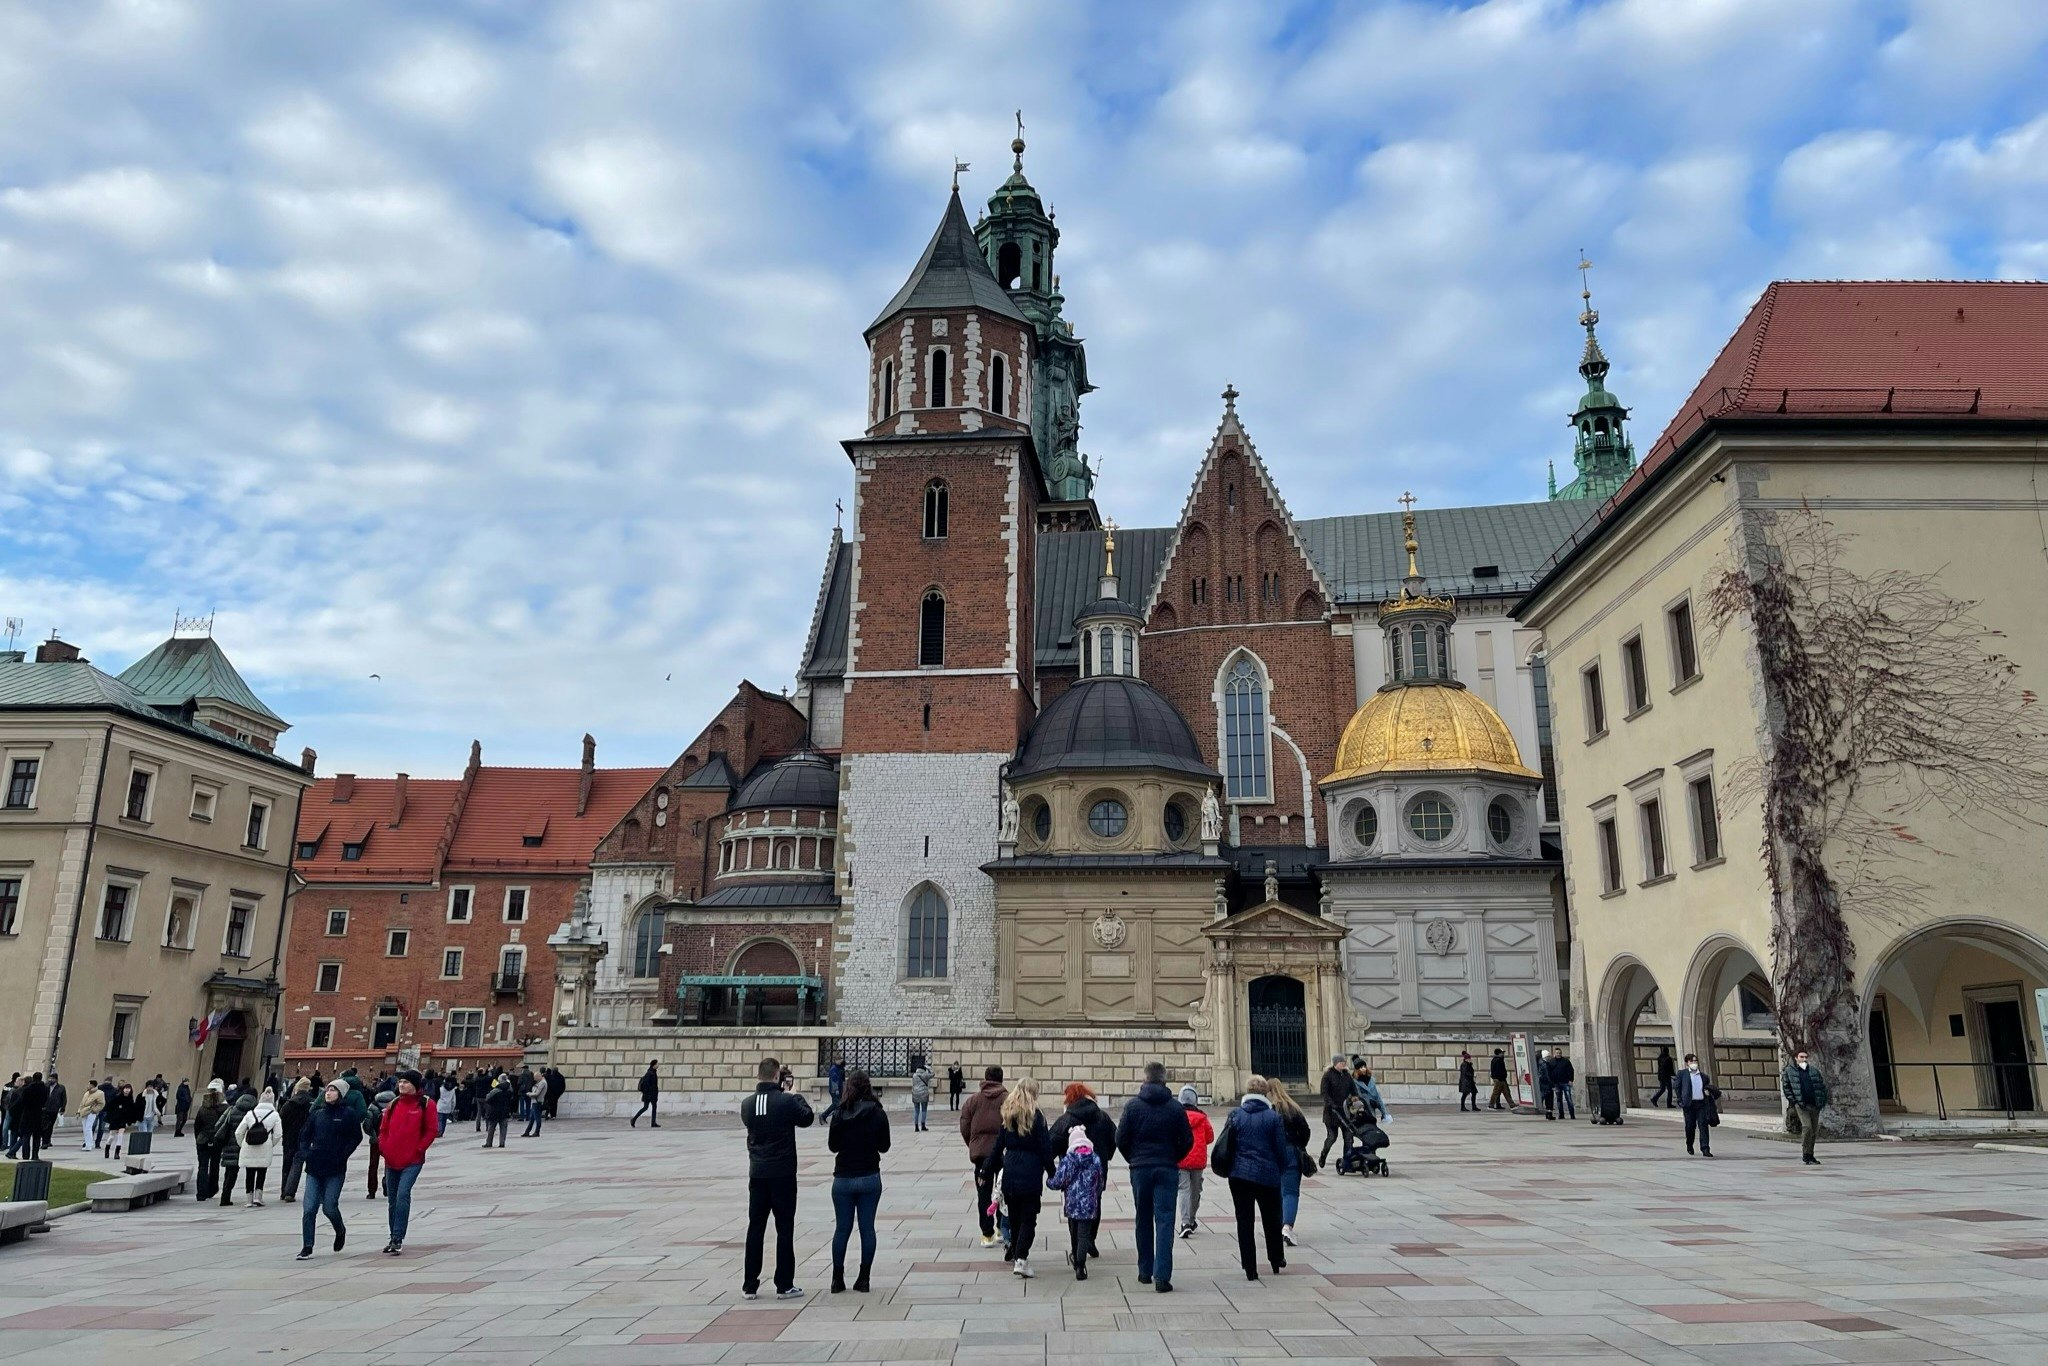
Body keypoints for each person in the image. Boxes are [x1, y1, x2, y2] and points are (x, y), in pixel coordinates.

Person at [740, 1055, 815, 1300]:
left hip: (757, 1172)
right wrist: (795, 1095)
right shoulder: (785, 1101)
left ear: (758, 1075)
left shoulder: (747, 1104)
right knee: (784, 1227)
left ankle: (750, 1284)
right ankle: (784, 1284)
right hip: (782, 1173)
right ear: (776, 1076)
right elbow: (807, 1118)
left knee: (756, 1227)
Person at [1116, 1061, 1194, 1294]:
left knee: (1143, 1218)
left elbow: (1120, 1138)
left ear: (1145, 1079)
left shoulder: (1132, 1106)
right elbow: (1187, 1140)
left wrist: (1134, 1158)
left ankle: (1144, 1270)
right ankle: (1162, 1276)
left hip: (1140, 1169)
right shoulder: (1175, 1108)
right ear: (1164, 1080)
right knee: (1165, 1220)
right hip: (1166, 1168)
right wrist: (1173, 1157)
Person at [1211, 1075, 1290, 1282]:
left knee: (1244, 1220)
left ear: (1247, 1092)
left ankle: (1249, 1267)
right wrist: (1280, 1169)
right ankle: (1276, 1259)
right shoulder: (1273, 1117)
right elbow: (1281, 1150)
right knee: (1272, 1219)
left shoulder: (1235, 1115)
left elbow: (1227, 1144)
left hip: (1239, 1175)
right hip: (1268, 1175)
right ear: (1265, 1093)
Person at [983, 1078, 1055, 1279]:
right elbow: (1045, 1148)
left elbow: (998, 1146)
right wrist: (1053, 1173)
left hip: (1011, 1170)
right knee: (1029, 1219)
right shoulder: (1037, 1116)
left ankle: (1017, 1255)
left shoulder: (1008, 1115)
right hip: (1031, 1172)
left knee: (1014, 1218)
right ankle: (1021, 1259)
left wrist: (986, 1169)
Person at [826, 1068, 890, 1294]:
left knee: (842, 1229)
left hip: (843, 1177)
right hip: (869, 1176)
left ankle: (837, 1278)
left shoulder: (839, 1113)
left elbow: (833, 1146)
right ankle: (864, 1278)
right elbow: (885, 1146)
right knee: (867, 1228)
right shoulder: (878, 1113)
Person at [1048, 1083, 1115, 1262]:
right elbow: (1114, 1139)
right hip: (1097, 1170)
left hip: (1073, 1175)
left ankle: (1077, 1247)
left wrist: (1054, 1169)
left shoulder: (1067, 1119)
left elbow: (1050, 1144)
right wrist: (1105, 1156)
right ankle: (1090, 1239)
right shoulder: (1103, 1117)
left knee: (1073, 1209)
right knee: (1095, 1202)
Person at [295, 1081, 362, 1260]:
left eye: (333, 1090)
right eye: (327, 1090)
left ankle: (340, 1230)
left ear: (340, 1093)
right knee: (309, 1208)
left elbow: (355, 1137)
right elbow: (305, 1135)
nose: (328, 1093)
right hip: (314, 1166)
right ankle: (307, 1246)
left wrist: (343, 1154)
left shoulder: (348, 1113)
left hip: (335, 1167)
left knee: (329, 1207)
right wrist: (306, 1153)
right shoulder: (318, 1114)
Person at [378, 1070, 439, 1255]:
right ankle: (393, 1236)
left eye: (405, 1082)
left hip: (413, 1159)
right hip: (391, 1158)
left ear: (415, 1085)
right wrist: (384, 1148)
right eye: (400, 1082)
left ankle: (398, 1236)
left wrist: (419, 1148)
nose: (401, 1085)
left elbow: (431, 1130)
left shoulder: (426, 1104)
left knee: (403, 1194)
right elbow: (384, 1129)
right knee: (392, 1199)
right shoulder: (394, 1103)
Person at [958, 1066, 1009, 1248]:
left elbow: (964, 1126)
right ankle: (1002, 1228)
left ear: (986, 1079)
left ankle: (987, 1234)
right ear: (1001, 1079)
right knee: (1003, 1191)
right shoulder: (1008, 1099)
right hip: (1002, 1153)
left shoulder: (972, 1101)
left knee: (983, 1194)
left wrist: (974, 1144)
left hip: (981, 1155)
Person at [1048, 1125, 1104, 1280]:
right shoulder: (1095, 1159)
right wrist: (1096, 1193)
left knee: (1074, 1231)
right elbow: (1100, 1181)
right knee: (1084, 1235)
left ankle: (1075, 1257)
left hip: (1072, 1204)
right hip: (1089, 1204)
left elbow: (1059, 1181)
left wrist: (1049, 1182)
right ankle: (1081, 1265)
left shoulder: (1068, 1160)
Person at [1264, 1078, 1313, 1247]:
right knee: (1290, 1192)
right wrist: (1299, 1145)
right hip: (1291, 1152)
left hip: (1272, 1155)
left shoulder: (1268, 1111)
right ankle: (1287, 1227)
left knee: (1276, 1192)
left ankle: (1278, 1225)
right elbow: (1305, 1131)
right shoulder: (1292, 1108)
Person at [1176, 1084, 1213, 1239]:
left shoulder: (1177, 1117)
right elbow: (1210, 1137)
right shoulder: (1203, 1118)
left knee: (1183, 1190)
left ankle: (1185, 1223)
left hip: (1181, 1158)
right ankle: (1191, 1220)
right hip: (1198, 1161)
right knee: (1196, 1191)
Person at [1781, 1048, 1830, 1166]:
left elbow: (1821, 1086)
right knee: (1807, 1127)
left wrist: (1821, 1101)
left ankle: (1810, 1154)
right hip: (1801, 1105)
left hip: (1814, 1104)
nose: (1804, 1059)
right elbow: (1786, 1087)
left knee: (1813, 1130)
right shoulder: (1789, 1071)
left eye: (1805, 1057)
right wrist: (1794, 1101)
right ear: (1796, 1058)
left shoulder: (1813, 1071)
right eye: (1801, 1057)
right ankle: (1805, 1153)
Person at [237, 1086, 282, 1206]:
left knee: (249, 1173)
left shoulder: (250, 1113)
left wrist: (242, 1144)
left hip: (249, 1145)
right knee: (262, 1172)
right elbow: (278, 1134)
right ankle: (258, 1197)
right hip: (265, 1145)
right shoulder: (275, 1115)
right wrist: (271, 1143)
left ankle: (248, 1199)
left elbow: (238, 1132)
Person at [1675, 1054, 1719, 1158]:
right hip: (1689, 1105)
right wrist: (1680, 1100)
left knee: (1703, 1126)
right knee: (1690, 1126)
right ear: (1687, 1063)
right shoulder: (1682, 1074)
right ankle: (1689, 1144)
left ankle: (1705, 1148)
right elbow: (1677, 1087)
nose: (1694, 1063)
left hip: (1701, 1104)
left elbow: (1706, 1087)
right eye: (1691, 1061)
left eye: (1695, 1061)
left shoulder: (1703, 1076)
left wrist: (1707, 1092)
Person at [191, 1080, 228, 1200]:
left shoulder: (203, 1108)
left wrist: (198, 1138)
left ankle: (201, 1193)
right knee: (215, 1165)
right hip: (217, 1140)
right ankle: (212, 1189)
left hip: (203, 1140)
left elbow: (197, 1125)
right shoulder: (225, 1108)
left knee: (202, 1166)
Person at [217, 1093, 255, 1206]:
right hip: (246, 1145)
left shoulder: (231, 1110)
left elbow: (219, 1125)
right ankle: (251, 1196)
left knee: (230, 1171)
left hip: (229, 1145)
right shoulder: (252, 1114)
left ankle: (225, 1196)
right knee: (250, 1171)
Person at [279, 1078, 314, 1202]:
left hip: (289, 1137)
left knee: (287, 1164)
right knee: (298, 1164)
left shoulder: (288, 1104)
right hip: (305, 1138)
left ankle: (284, 1191)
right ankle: (290, 1191)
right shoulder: (311, 1104)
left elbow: (281, 1121)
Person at [1316, 1054, 1351, 1166]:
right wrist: (1331, 1104)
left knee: (1348, 1137)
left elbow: (1353, 1089)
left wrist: (1355, 1097)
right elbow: (1324, 1093)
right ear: (1335, 1063)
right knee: (1332, 1137)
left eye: (1344, 1062)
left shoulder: (1347, 1075)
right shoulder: (1328, 1076)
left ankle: (1347, 1160)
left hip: (1345, 1111)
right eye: (1341, 1062)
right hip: (1332, 1113)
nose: (1343, 1064)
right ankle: (1323, 1155)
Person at [482, 1076, 514, 1148]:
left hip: (494, 1111)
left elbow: (487, 1099)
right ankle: (502, 1143)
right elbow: (511, 1100)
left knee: (491, 1127)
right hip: (505, 1111)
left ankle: (489, 1143)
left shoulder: (495, 1090)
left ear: (499, 1081)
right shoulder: (510, 1090)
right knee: (503, 1128)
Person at [78, 1079, 105, 1153]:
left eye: (89, 1084)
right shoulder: (87, 1093)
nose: (88, 1085)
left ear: (92, 1085)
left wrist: (95, 1110)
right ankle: (87, 1143)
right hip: (84, 1111)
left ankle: (89, 1145)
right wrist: (78, 1111)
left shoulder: (99, 1093)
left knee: (88, 1128)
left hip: (91, 1112)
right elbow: (82, 1103)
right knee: (85, 1128)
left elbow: (101, 1103)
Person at [632, 1060, 661, 1127]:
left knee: (654, 1107)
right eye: (657, 1064)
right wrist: (649, 1093)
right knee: (645, 1107)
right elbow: (647, 1085)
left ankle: (653, 1122)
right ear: (654, 1065)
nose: (658, 1065)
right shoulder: (650, 1073)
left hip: (652, 1094)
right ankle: (634, 1119)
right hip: (649, 1095)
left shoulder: (653, 1072)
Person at [1550, 1048, 1577, 1120]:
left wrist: (1571, 1080)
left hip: (1565, 1082)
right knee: (1559, 1099)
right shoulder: (1551, 1062)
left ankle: (1572, 1114)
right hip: (1556, 1083)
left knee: (1569, 1098)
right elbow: (1550, 1073)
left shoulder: (1566, 1061)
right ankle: (1561, 1114)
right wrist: (1552, 1084)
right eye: (1557, 1053)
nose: (1558, 1054)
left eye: (1559, 1053)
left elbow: (1571, 1070)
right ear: (1554, 1054)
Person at [908, 1061, 934, 1133]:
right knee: (924, 1110)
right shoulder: (925, 1075)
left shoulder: (914, 1075)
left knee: (916, 1111)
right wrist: (929, 1068)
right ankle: (923, 1125)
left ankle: (916, 1126)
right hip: (924, 1094)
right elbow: (933, 1074)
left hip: (915, 1093)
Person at [521, 1071, 548, 1138]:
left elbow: (537, 1094)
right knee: (532, 1118)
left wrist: (529, 1094)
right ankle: (527, 1131)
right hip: (535, 1102)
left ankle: (537, 1132)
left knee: (537, 1118)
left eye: (535, 1077)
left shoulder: (542, 1083)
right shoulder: (540, 1082)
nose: (534, 1079)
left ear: (539, 1076)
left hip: (537, 1102)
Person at [1650, 1045, 1677, 1109]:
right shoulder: (1668, 1058)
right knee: (1669, 1090)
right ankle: (1669, 1104)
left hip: (1660, 1076)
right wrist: (1674, 1075)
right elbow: (1670, 1068)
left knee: (1662, 1089)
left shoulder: (1659, 1058)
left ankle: (1654, 1098)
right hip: (1666, 1076)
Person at [822, 1057, 845, 1123]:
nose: (841, 1061)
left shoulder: (840, 1068)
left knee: (838, 1105)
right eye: (840, 1060)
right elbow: (834, 1080)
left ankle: (836, 1118)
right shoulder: (833, 1069)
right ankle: (823, 1115)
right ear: (836, 1061)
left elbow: (842, 1080)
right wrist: (836, 1089)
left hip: (840, 1089)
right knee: (836, 1104)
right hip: (834, 1090)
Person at [1535, 1048, 1554, 1118]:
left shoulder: (1541, 1063)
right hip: (1546, 1085)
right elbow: (1547, 1076)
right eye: (1548, 1056)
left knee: (1546, 1099)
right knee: (1549, 1100)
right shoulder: (1545, 1065)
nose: (1550, 1058)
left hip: (1543, 1084)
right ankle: (1549, 1114)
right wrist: (1552, 1085)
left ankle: (1548, 1113)